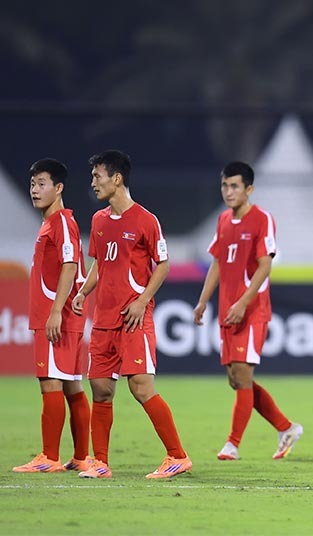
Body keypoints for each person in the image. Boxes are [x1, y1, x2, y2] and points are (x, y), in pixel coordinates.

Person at [72, 150, 191, 479]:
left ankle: (177, 456)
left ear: (117, 178)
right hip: (104, 320)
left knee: (140, 387)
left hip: (133, 319)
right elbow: (99, 263)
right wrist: (83, 292)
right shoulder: (98, 221)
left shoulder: (145, 220)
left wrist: (142, 301)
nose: (93, 183)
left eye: (98, 176)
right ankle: (100, 463)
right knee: (100, 389)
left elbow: (163, 264)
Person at [192, 162, 303, 462]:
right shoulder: (223, 220)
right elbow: (217, 262)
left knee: (242, 375)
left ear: (249, 189)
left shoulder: (262, 219)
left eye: (235, 186)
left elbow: (265, 265)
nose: (229, 192)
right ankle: (286, 427)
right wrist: (203, 301)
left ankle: (233, 444)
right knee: (235, 379)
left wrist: (243, 302)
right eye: (225, 186)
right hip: (227, 309)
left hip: (252, 310)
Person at [12, 159, 92, 474]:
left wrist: (56, 311)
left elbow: (70, 266)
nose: (35, 190)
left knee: (50, 384)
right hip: (58, 316)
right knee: (71, 386)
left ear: (58, 188)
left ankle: (49, 457)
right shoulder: (52, 223)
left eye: (42, 184)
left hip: (56, 317)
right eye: (33, 184)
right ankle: (81, 457)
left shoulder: (61, 222)